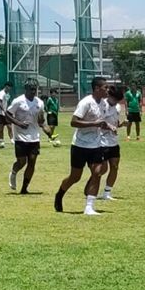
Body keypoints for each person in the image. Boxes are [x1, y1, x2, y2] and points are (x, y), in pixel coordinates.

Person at [54, 77, 109, 215]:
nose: (107, 90)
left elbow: (101, 122)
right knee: (75, 177)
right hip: (79, 144)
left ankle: (89, 207)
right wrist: (94, 124)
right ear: (97, 88)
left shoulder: (104, 104)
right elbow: (74, 122)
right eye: (105, 88)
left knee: (97, 173)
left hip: (96, 144)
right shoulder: (86, 103)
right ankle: (60, 194)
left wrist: (108, 126)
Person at [6, 79, 45, 194]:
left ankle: (24, 188)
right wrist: (19, 123)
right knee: (22, 162)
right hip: (20, 137)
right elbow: (7, 115)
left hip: (34, 137)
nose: (33, 91)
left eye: (35, 89)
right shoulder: (18, 101)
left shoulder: (40, 103)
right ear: (26, 89)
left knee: (32, 161)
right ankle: (13, 173)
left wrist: (43, 124)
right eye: (31, 89)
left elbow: (41, 119)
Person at [97, 85, 126, 200]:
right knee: (103, 169)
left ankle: (107, 193)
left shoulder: (118, 107)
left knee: (114, 166)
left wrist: (122, 124)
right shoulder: (102, 105)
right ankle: (92, 186)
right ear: (110, 96)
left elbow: (115, 124)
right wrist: (110, 127)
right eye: (115, 99)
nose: (116, 102)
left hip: (113, 141)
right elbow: (99, 122)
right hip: (102, 141)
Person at [0, 81, 13, 149]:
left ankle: (1, 142)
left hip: (4, 113)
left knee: (8, 126)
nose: (10, 89)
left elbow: (6, 102)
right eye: (9, 87)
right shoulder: (1, 93)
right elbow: (0, 103)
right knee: (0, 128)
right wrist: (3, 110)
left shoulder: (7, 94)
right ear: (6, 86)